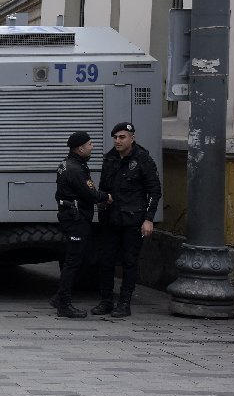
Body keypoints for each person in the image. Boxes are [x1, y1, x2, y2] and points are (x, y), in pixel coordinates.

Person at [95, 122, 161, 318]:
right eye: (115, 137)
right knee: (106, 261)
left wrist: (149, 219)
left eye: (122, 137)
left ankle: (124, 303)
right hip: (110, 218)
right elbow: (103, 187)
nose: (117, 141)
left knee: (129, 262)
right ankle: (106, 301)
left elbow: (154, 191)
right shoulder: (110, 158)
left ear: (132, 138)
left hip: (133, 220)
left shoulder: (143, 159)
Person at [54, 130, 110, 318]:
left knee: (77, 258)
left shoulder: (67, 164)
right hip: (75, 219)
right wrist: (106, 197)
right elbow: (91, 194)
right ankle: (64, 304)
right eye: (90, 144)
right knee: (73, 261)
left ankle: (59, 298)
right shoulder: (76, 169)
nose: (92, 147)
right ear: (80, 148)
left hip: (71, 217)